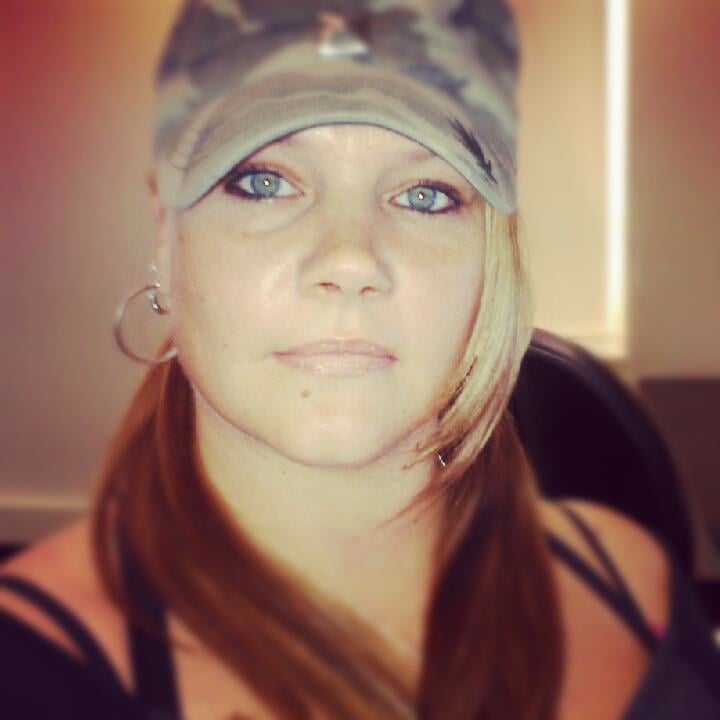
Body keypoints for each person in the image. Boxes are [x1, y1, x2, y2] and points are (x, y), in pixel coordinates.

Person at [1, 1, 719, 719]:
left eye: (425, 195)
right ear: (166, 234)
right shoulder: (29, 671)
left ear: (493, 255)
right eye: (265, 181)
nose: (349, 260)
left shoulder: (632, 583)